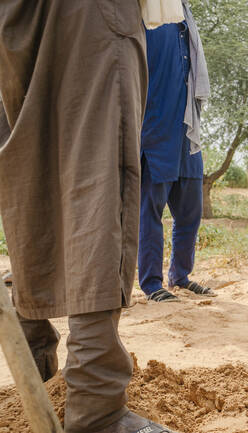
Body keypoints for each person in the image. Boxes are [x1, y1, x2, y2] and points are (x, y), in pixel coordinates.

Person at [0, 1, 176, 432]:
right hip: (88, 13)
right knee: (98, 177)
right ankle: (98, 408)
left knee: (31, 169)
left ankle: (38, 369)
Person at [138, 0, 213, 303]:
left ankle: (180, 276)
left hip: (186, 132)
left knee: (190, 211)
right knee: (151, 210)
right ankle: (151, 283)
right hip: (155, 129)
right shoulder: (144, 15)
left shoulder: (183, 14)